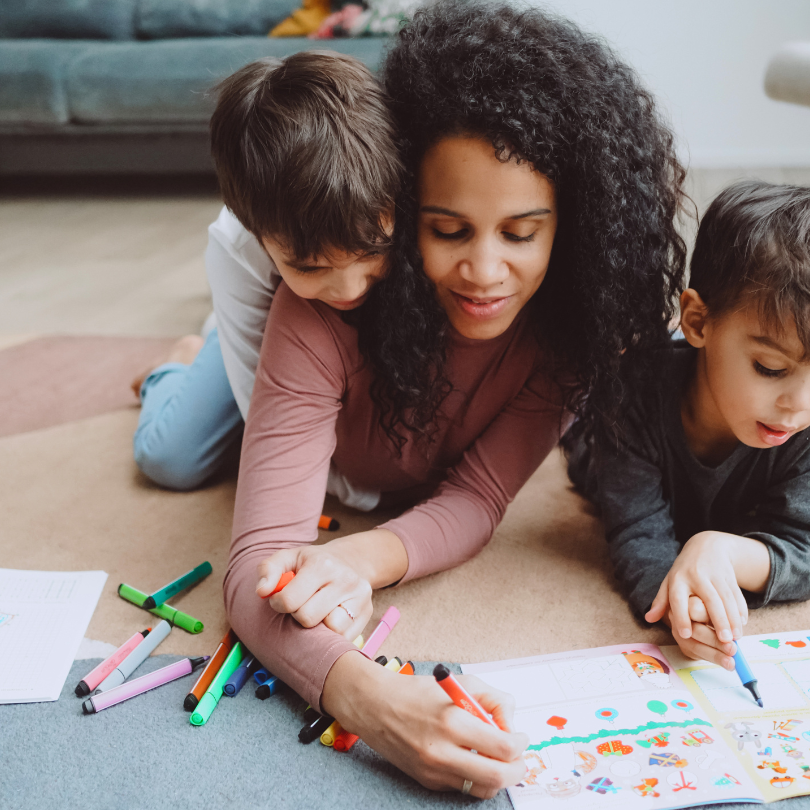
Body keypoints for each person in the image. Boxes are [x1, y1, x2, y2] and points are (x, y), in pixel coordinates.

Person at [225, 0, 688, 796]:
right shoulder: (323, 302)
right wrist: (372, 700)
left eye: (520, 232)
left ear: (569, 229)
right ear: (402, 215)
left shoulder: (569, 330)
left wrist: (357, 560)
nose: (483, 273)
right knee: (183, 441)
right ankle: (187, 358)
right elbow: (255, 568)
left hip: (373, 449)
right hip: (287, 371)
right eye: (447, 230)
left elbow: (477, 497)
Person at [130, 50, 400, 509]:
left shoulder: (386, 182)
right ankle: (178, 364)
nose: (351, 288)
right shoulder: (235, 247)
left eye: (372, 251)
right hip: (257, 330)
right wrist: (367, 494)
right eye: (310, 267)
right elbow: (270, 422)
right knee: (169, 459)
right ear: (255, 232)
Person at [567, 180, 810, 672]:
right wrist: (687, 609)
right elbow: (638, 535)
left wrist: (719, 550)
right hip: (599, 441)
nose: (798, 406)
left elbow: (803, 547)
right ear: (698, 321)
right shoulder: (631, 391)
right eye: (770, 368)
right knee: (581, 427)